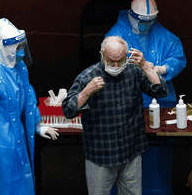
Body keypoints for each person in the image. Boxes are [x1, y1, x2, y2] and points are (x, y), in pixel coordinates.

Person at [62, 36, 168, 195]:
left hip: (130, 151)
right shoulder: (87, 76)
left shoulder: (134, 71)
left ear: (127, 56)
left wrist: (145, 65)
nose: (116, 65)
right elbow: (68, 111)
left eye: (121, 60)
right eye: (111, 61)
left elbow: (160, 91)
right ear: (102, 55)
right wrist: (86, 93)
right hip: (101, 155)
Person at [105, 0, 187, 195]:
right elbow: (108, 68)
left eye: (149, 21)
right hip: (126, 108)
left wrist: (161, 69)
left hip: (161, 106)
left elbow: (178, 57)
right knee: (125, 160)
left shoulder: (164, 36)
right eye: (140, 20)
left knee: (158, 159)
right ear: (131, 15)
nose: (143, 26)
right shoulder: (116, 35)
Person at [0, 18, 59, 195]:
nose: (21, 52)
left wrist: (37, 123)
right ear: (3, 47)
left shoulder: (18, 66)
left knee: (17, 181)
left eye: (22, 47)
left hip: (15, 136)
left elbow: (28, 95)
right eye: (17, 48)